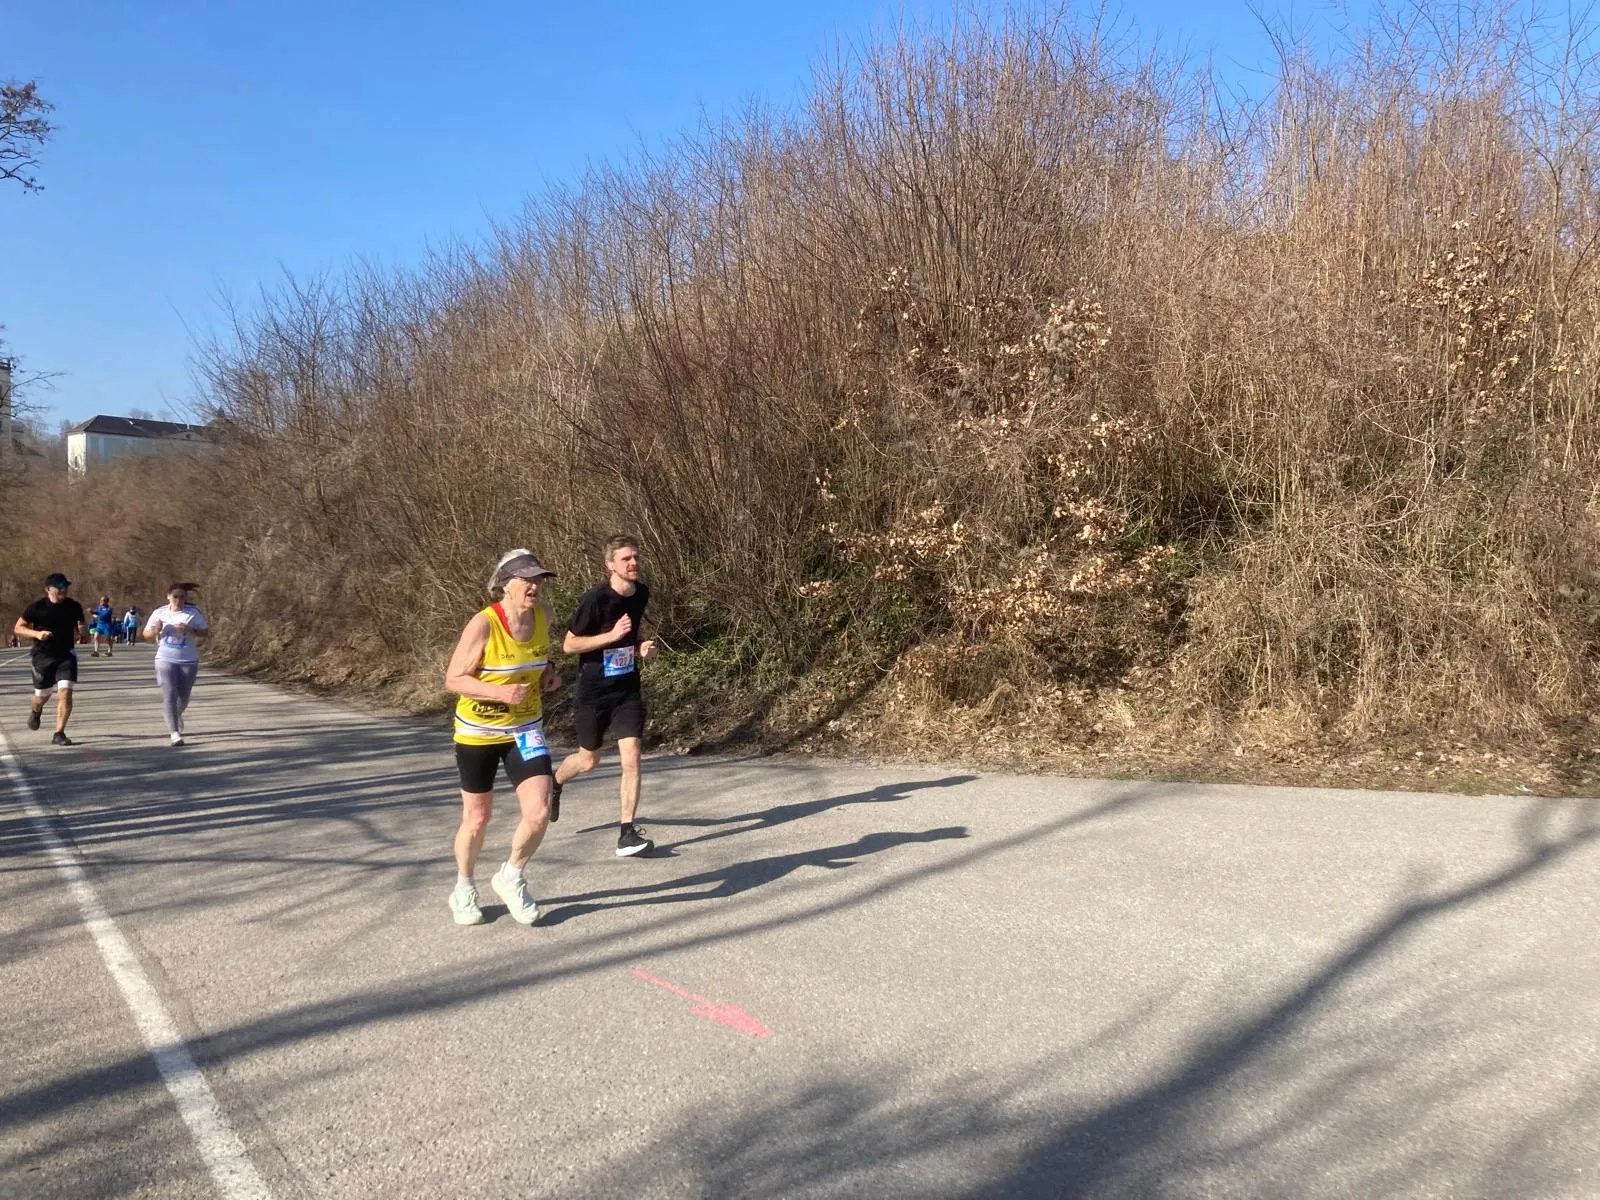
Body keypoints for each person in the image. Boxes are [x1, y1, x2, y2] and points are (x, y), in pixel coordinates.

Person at [443, 549, 563, 926]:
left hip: (525, 729)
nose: (534, 586)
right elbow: (454, 679)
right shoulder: (484, 623)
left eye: (539, 579)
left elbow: (539, 656)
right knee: (477, 818)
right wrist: (500, 692)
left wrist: (548, 673)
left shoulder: (544, 616)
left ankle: (511, 875)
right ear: (505, 584)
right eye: (526, 579)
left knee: (539, 811)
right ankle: (464, 887)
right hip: (477, 733)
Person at [552, 535, 658, 857]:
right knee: (588, 761)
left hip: (627, 689)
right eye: (626, 558)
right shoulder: (594, 600)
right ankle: (555, 783)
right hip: (594, 691)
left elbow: (631, 635)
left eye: (635, 556)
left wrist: (639, 647)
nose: (633, 562)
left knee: (632, 756)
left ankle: (627, 833)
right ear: (610, 565)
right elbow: (569, 645)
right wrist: (610, 636)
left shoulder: (641, 593)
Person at [13, 572, 86, 746]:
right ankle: (36, 710)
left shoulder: (74, 606)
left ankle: (59, 733)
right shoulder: (37, 608)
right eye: (59, 587)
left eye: (65, 586)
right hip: (43, 656)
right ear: (48, 589)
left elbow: (81, 624)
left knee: (65, 692)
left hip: (66, 655)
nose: (64, 590)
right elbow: (18, 628)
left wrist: (82, 631)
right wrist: (37, 634)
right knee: (42, 696)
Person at [143, 583, 209, 746]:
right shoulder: (160, 613)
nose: (178, 600)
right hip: (165, 658)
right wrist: (155, 630)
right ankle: (174, 733)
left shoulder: (193, 612)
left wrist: (190, 629)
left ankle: (176, 714)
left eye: (182, 597)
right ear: (168, 596)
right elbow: (145, 634)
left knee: (184, 696)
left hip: (188, 659)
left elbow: (205, 632)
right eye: (175, 597)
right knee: (170, 694)